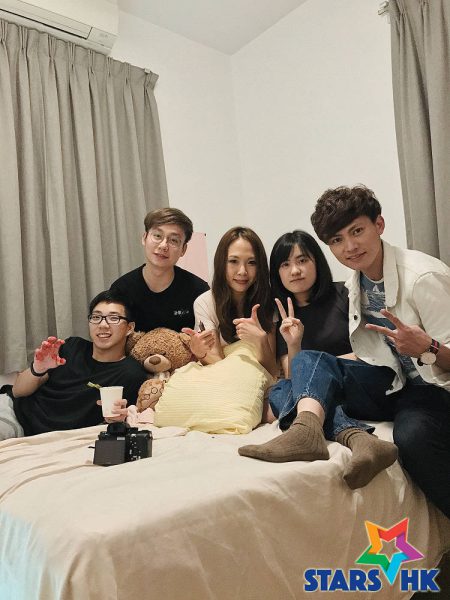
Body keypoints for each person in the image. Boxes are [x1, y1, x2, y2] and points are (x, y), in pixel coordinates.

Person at [238, 186, 450, 519]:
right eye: (337, 240)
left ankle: (346, 433)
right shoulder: (355, 284)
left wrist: (428, 348)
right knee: (297, 373)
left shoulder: (422, 276)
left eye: (357, 231)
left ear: (379, 225)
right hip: (391, 382)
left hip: (433, 389)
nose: (350, 247)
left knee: (411, 437)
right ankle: (326, 433)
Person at [251, 230, 397, 489]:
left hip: (371, 384)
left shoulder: (346, 294)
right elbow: (296, 380)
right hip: (334, 399)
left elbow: (375, 349)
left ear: (317, 262)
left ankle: (306, 432)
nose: (295, 270)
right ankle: (358, 438)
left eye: (302, 260)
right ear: (277, 273)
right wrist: (293, 343)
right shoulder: (284, 316)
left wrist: (321, 365)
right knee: (281, 389)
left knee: (306, 365)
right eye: (285, 264)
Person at [0, 290, 148, 440]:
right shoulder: (72, 347)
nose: (103, 325)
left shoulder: (131, 374)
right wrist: (38, 368)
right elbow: (17, 391)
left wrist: (116, 419)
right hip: (16, 413)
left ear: (129, 328)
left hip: (53, 436)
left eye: (114, 318)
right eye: (96, 317)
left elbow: (121, 419)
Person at [183, 226, 278, 380]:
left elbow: (272, 372)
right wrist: (201, 353)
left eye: (252, 262)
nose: (242, 271)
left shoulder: (267, 301)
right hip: (224, 380)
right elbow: (215, 360)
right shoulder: (205, 302)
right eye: (233, 261)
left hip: (257, 381)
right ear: (221, 263)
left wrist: (260, 340)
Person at [109, 207, 209, 333]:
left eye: (173, 240)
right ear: (144, 238)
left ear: (183, 250)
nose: (163, 246)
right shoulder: (121, 290)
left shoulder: (199, 291)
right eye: (157, 236)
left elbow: (207, 338)